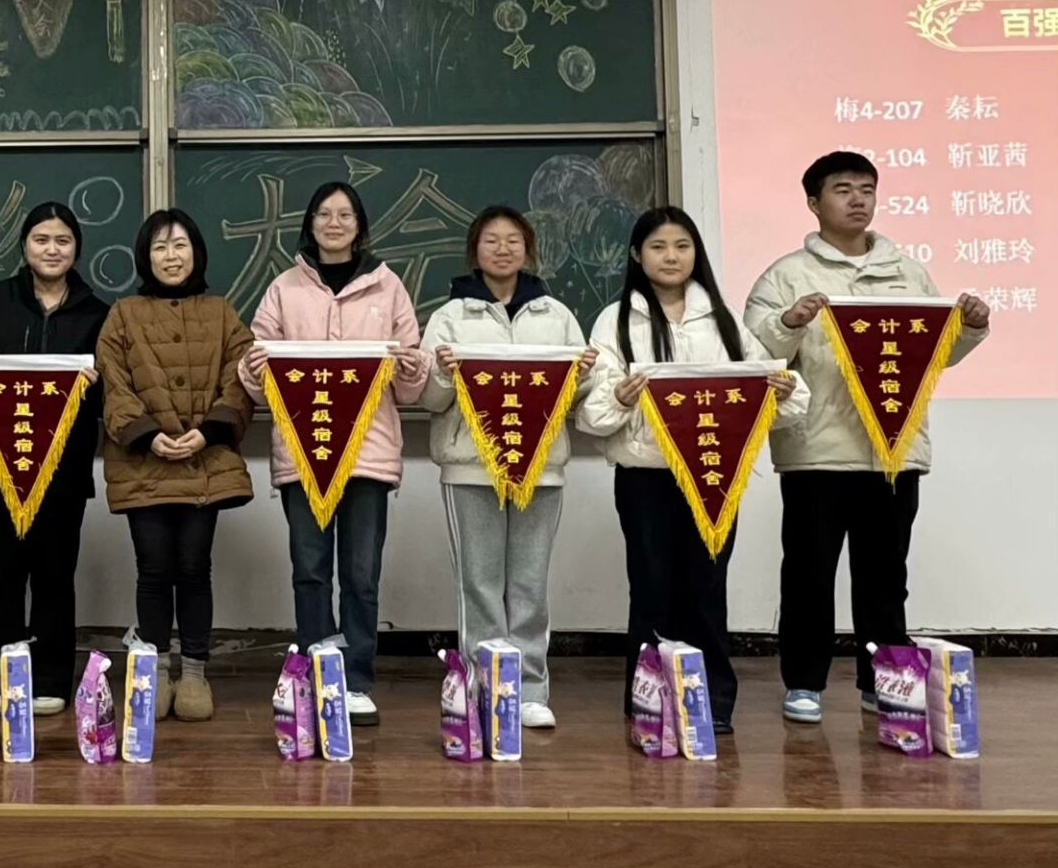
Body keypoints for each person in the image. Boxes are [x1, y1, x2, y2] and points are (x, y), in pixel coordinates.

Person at [744, 151, 990, 723]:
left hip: (892, 449)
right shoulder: (786, 276)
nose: (857, 200)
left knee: (885, 576)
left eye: (866, 189)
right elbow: (754, 354)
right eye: (843, 189)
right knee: (808, 574)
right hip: (817, 452)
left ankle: (884, 682)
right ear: (813, 202)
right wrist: (789, 321)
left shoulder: (908, 273)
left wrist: (970, 327)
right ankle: (803, 683)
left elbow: (934, 353)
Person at [577, 207, 807, 733]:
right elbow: (591, 414)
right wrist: (620, 396)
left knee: (707, 587)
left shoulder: (723, 320)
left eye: (682, 246)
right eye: (658, 247)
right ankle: (649, 700)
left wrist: (783, 389)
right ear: (636, 255)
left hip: (714, 474)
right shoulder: (615, 321)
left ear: (696, 254)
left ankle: (712, 703)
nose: (671, 257)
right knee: (651, 589)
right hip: (646, 476)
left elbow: (770, 387)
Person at [236, 182, 427, 727]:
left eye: (345, 214)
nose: (334, 223)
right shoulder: (283, 288)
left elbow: (410, 387)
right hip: (303, 452)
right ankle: (316, 676)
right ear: (310, 223)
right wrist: (252, 370)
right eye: (324, 213)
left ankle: (358, 679)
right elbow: (257, 377)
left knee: (361, 574)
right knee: (310, 570)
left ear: (360, 225)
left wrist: (412, 368)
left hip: (368, 454)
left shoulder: (389, 286)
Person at [416, 205, 595, 729]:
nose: (502, 249)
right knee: (480, 583)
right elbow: (429, 398)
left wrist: (583, 374)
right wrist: (444, 374)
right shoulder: (451, 316)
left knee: (530, 583)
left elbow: (574, 397)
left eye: (513, 240)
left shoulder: (556, 315)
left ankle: (531, 690)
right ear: (474, 250)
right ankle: (486, 684)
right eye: (491, 240)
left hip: (541, 467)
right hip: (470, 467)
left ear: (528, 249)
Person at [0, 202, 109, 714]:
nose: (51, 249)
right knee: (1, 574)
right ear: (24, 246)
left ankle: (53, 680)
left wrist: (96, 386)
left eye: (62, 240)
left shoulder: (98, 313)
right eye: (41, 239)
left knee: (55, 575)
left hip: (63, 469)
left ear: (76, 248)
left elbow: (112, 395)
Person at [98, 208, 254, 722]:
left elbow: (241, 378)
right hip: (142, 463)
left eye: (180, 245)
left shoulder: (222, 312)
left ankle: (194, 675)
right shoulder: (123, 314)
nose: (171, 256)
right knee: (152, 570)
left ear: (196, 253)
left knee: (193, 568)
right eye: (160, 247)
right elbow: (113, 383)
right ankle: (156, 671)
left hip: (205, 460)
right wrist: (148, 436)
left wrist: (208, 431)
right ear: (146, 256)